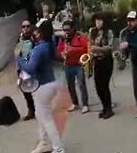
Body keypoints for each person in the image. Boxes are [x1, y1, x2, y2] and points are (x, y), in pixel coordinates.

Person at [18, 20, 65, 153]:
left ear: (41, 32)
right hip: (49, 84)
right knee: (41, 115)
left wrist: (19, 59)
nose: (35, 32)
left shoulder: (40, 48)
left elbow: (31, 68)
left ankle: (58, 148)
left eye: (37, 30)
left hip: (42, 86)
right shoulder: (49, 46)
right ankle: (44, 142)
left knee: (47, 119)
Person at [57, 20, 90, 114]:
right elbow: (59, 50)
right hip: (68, 65)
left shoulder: (80, 37)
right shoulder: (63, 39)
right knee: (70, 86)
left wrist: (72, 50)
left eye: (68, 29)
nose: (66, 32)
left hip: (79, 64)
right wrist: (62, 54)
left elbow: (85, 49)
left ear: (73, 29)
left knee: (81, 84)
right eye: (64, 30)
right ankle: (75, 103)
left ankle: (85, 104)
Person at [89, 13, 115, 119]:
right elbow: (90, 45)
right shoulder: (92, 31)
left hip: (106, 61)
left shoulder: (108, 32)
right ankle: (104, 107)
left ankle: (109, 109)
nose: (98, 23)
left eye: (100, 20)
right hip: (96, 61)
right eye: (96, 21)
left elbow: (110, 47)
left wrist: (98, 49)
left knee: (104, 86)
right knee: (98, 86)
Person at [14, 20, 36, 121]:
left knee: (38, 89)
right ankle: (31, 111)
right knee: (26, 91)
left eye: (28, 26)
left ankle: (41, 109)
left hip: (34, 67)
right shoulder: (19, 40)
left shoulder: (35, 38)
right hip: (23, 69)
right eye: (24, 26)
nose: (26, 28)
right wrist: (18, 69)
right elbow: (17, 55)